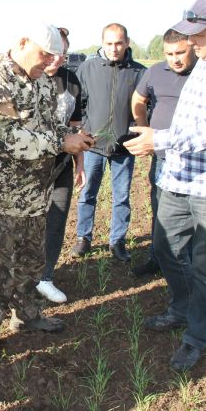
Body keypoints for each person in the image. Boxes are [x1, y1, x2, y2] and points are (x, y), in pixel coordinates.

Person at [124, 0, 206, 371]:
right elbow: (187, 119)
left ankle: (196, 336)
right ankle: (182, 306)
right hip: (176, 176)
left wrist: (159, 140)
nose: (192, 43)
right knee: (165, 249)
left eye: (197, 35)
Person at [0, 23, 94, 368]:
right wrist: (60, 143)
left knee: (29, 261)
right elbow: (7, 137)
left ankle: (26, 315)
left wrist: (73, 134)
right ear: (23, 43)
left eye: (56, 57)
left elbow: (46, 126)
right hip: (1, 196)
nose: (51, 62)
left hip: (35, 192)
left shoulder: (41, 81)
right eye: (44, 54)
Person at [70, 23, 146, 262]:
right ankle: (84, 238)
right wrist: (83, 130)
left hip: (124, 147)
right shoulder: (87, 68)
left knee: (121, 197)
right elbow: (78, 103)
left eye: (119, 43)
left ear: (127, 42)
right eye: (109, 43)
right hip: (93, 145)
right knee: (87, 194)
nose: (114, 48)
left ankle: (117, 241)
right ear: (102, 43)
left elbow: (146, 106)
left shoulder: (139, 72)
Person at [130, 29, 197, 277]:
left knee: (193, 213)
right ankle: (158, 257)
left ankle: (188, 261)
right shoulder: (156, 71)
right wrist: (144, 129)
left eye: (180, 52)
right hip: (162, 156)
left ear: (192, 47)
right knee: (160, 207)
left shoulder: (205, 72)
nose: (175, 59)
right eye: (169, 53)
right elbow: (138, 99)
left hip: (194, 157)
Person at [36, 26, 86, 304]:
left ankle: (46, 278)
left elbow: (76, 126)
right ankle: (25, 278)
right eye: (55, 53)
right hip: (32, 168)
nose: (58, 59)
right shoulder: (32, 77)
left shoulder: (71, 80)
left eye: (64, 54)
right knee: (31, 223)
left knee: (56, 220)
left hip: (62, 165)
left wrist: (79, 163)